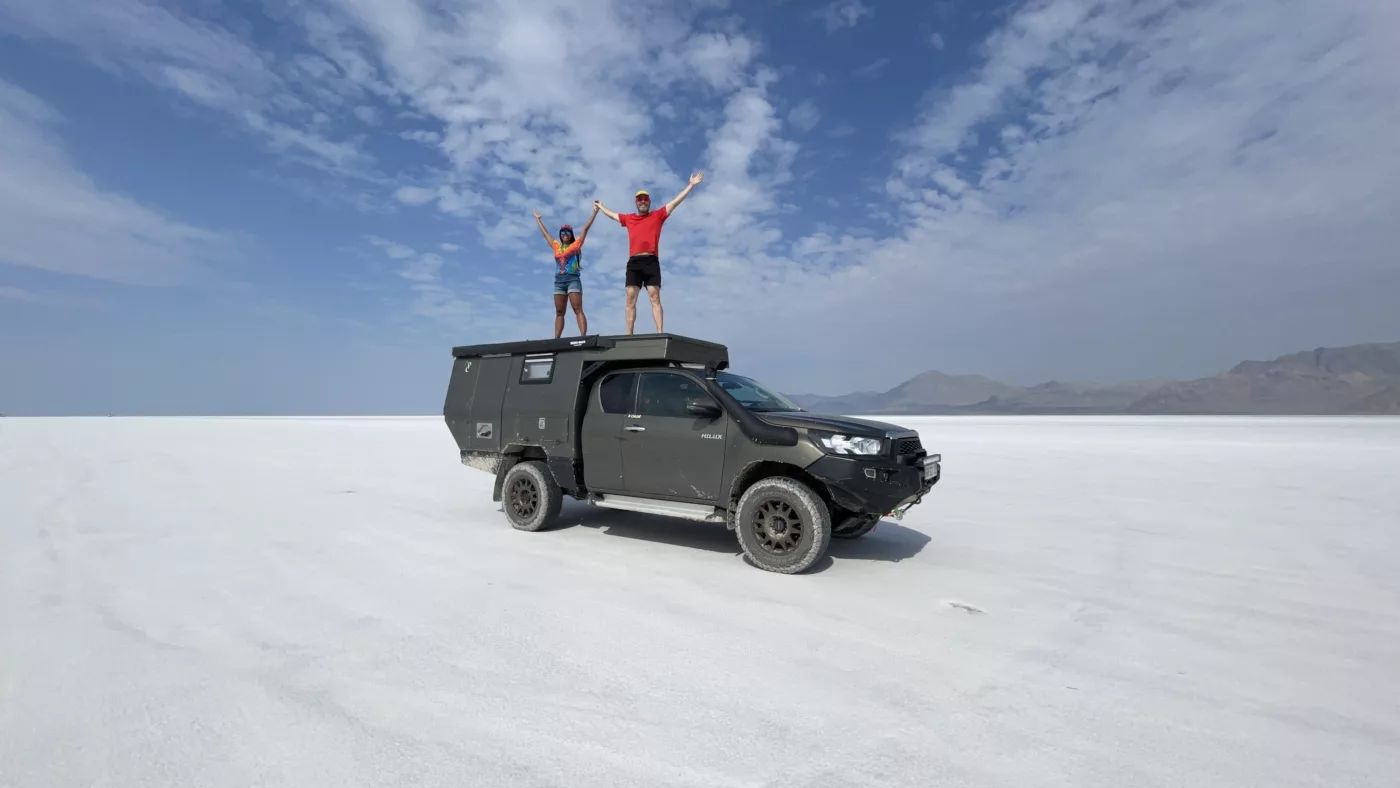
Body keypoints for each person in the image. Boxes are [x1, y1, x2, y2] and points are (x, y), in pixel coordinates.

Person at [594, 171, 704, 334]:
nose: (643, 201)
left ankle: (659, 332)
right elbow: (612, 215)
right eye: (640, 199)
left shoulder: (658, 216)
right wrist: (601, 206)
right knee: (630, 298)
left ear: (649, 202)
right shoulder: (629, 218)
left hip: (651, 261)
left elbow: (675, 202)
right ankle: (628, 334)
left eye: (645, 199)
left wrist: (691, 185)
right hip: (634, 263)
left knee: (654, 297)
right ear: (636, 202)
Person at [533, 204, 598, 337]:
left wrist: (594, 213)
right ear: (560, 234)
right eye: (563, 231)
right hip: (559, 281)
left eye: (568, 232)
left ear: (571, 235)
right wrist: (538, 220)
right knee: (559, 312)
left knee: (577, 309)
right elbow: (545, 234)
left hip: (572, 279)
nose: (565, 234)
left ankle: (583, 337)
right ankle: (556, 339)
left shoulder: (575, 245)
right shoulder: (556, 246)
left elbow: (585, 229)